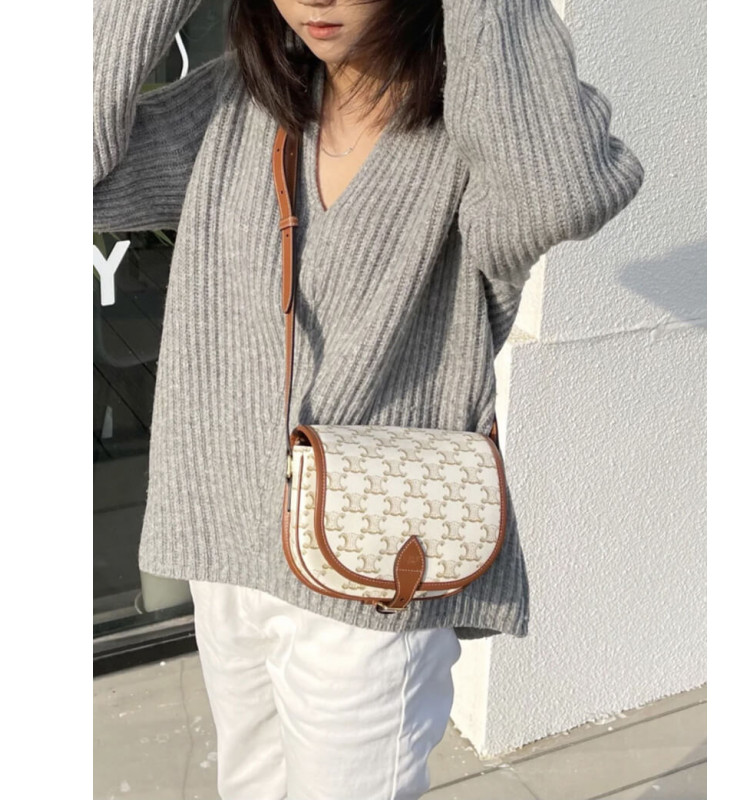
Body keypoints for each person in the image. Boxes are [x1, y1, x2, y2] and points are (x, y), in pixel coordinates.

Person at [93, 0, 644, 798]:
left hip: (373, 571)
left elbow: (562, 194)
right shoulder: (239, 103)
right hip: (229, 548)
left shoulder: (477, 132)